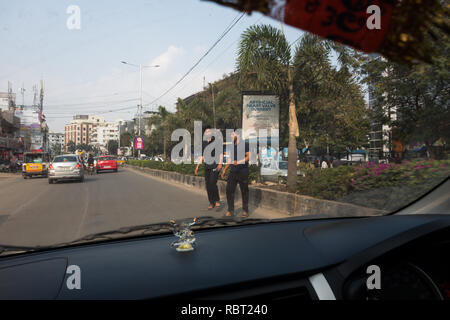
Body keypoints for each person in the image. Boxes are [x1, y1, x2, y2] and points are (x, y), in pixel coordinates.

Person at [221, 130, 250, 218]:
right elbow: (230, 159)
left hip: (243, 171)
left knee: (244, 191)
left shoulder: (245, 144)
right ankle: (231, 210)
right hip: (233, 171)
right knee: (229, 190)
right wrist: (225, 169)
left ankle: (245, 210)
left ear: (238, 135)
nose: (231, 135)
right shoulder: (232, 145)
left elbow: (248, 157)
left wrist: (239, 162)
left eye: (232, 134)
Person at [195, 126, 222, 210]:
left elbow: (221, 153)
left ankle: (217, 200)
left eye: (209, 131)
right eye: (206, 132)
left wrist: (220, 164)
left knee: (212, 183)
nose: (207, 133)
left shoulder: (216, 141)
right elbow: (202, 156)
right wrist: (197, 166)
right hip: (207, 166)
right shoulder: (204, 143)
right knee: (208, 185)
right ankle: (211, 202)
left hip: (215, 165)